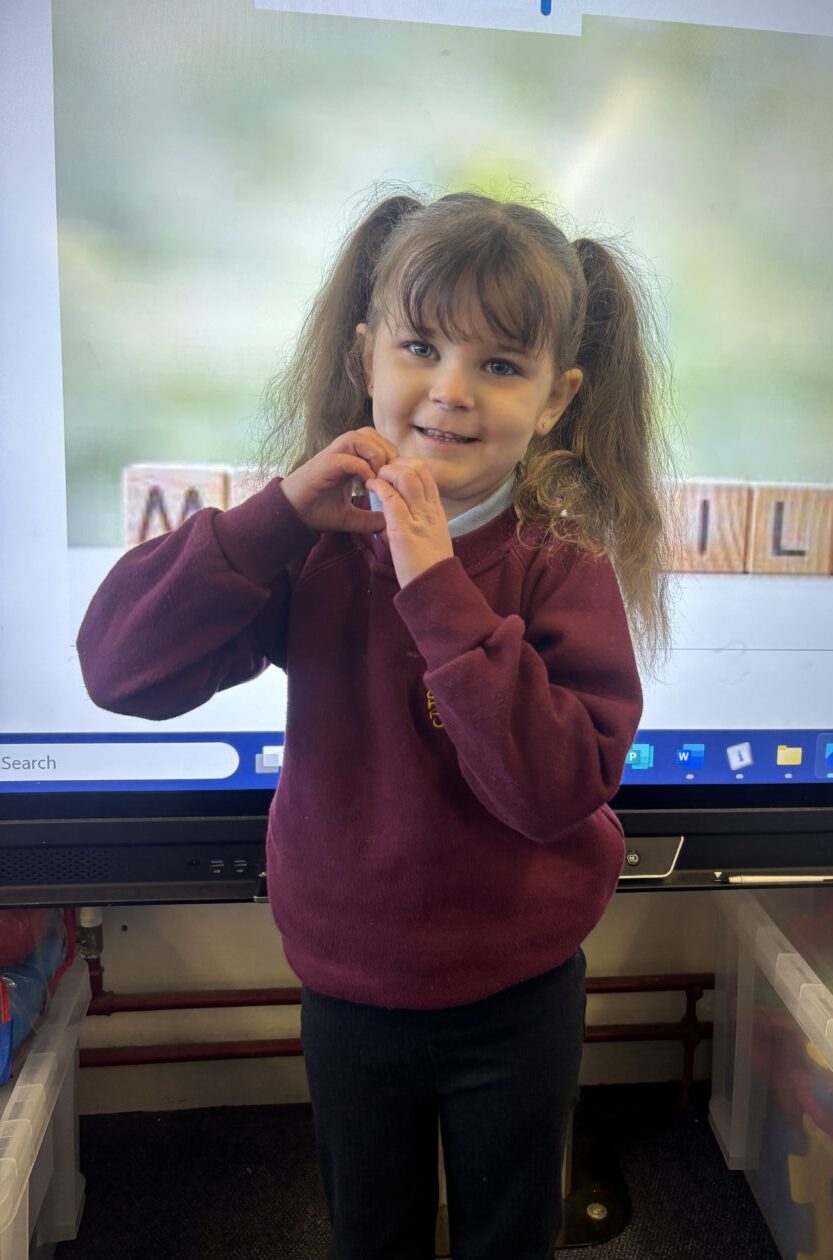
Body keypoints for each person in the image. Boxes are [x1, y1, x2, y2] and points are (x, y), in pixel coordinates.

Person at [77, 189, 674, 1260]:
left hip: (519, 991)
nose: (450, 390)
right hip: (348, 988)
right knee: (370, 1235)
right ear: (366, 355)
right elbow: (120, 670)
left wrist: (436, 586)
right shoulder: (311, 543)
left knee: (510, 1236)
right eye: (420, 346)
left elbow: (552, 790)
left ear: (556, 399)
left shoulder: (559, 566)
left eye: (500, 364)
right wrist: (268, 522)